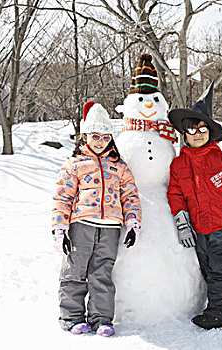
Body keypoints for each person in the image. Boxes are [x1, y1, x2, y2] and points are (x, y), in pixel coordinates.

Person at [51, 101, 142, 337]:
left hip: (110, 228)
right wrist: (60, 229)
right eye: (94, 135)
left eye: (104, 136)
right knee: (74, 271)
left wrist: (132, 223)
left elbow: (130, 195)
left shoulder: (119, 167)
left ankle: (101, 318)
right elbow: (63, 197)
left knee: (102, 274)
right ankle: (71, 317)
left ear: (111, 138)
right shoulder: (74, 164)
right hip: (81, 226)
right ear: (84, 136)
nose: (99, 141)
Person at [167, 82, 222, 330]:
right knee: (209, 270)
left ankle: (220, 314)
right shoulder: (179, 165)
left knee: (221, 271)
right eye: (193, 129)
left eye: (204, 128)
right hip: (198, 229)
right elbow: (175, 194)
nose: (199, 133)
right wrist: (182, 224)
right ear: (184, 134)